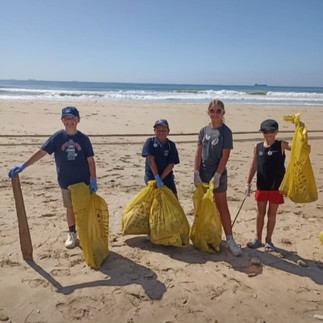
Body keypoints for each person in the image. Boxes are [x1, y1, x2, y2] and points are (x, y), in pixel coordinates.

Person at [8, 106, 97, 249]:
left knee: (84, 209)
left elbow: (90, 160)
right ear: (62, 121)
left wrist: (93, 180)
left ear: (78, 120)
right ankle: (72, 233)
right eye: (66, 119)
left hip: (83, 182)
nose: (69, 122)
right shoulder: (57, 137)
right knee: (70, 208)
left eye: (72, 118)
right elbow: (42, 152)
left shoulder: (84, 139)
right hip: (65, 182)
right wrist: (24, 165)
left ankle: (87, 234)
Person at [194, 99, 242, 257]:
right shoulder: (203, 131)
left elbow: (225, 155)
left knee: (222, 207)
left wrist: (218, 175)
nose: (215, 114)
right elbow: (199, 152)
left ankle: (230, 240)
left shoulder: (226, 132)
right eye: (212, 111)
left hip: (218, 174)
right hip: (203, 174)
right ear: (208, 112)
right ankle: (207, 235)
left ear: (223, 113)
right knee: (204, 207)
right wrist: (196, 172)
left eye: (218, 111)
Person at [245, 119, 291, 252]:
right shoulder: (257, 147)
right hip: (262, 186)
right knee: (260, 213)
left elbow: (295, 147)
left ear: (276, 132)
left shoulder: (280, 145)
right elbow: (253, 165)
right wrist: (248, 183)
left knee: (272, 214)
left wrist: (300, 130)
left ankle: (268, 240)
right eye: (265, 131)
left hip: (276, 187)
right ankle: (257, 238)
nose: (268, 134)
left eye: (271, 131)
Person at [142, 119, 180, 198]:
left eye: (163, 130)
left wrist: (161, 179)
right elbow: (151, 161)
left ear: (168, 131)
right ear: (154, 131)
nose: (161, 132)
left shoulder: (171, 145)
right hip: (152, 176)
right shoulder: (150, 142)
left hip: (167, 176)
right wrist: (157, 178)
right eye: (158, 130)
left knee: (173, 198)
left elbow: (171, 165)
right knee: (153, 199)